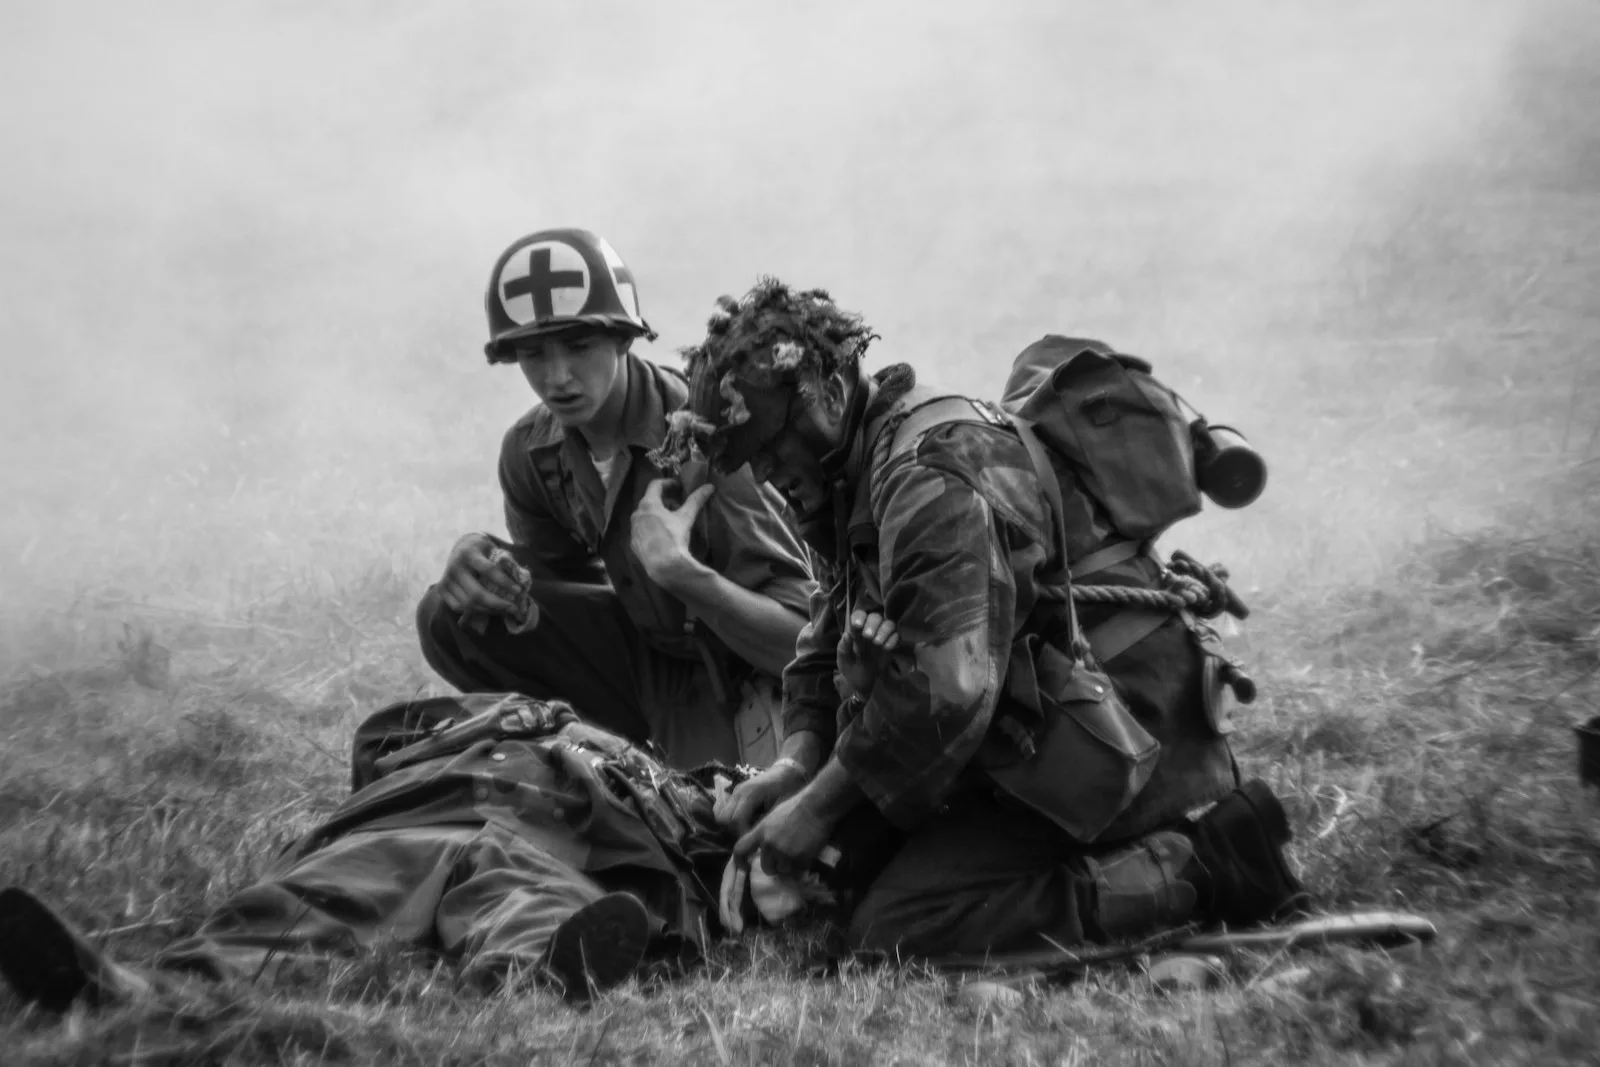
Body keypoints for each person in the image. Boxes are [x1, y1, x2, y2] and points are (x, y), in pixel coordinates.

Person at [672, 279, 1307, 962]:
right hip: (1047, 721)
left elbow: (948, 691)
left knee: (900, 926)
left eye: (771, 446)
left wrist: (818, 808)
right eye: (751, 461)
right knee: (849, 864)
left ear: (828, 390)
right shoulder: (852, 472)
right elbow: (824, 643)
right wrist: (794, 766)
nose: (767, 474)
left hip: (1136, 730)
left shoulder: (926, 473)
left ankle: (1209, 860)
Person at [0, 693, 749, 1012]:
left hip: (561, 848)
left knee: (526, 891)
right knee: (328, 888)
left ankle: (538, 975)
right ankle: (141, 987)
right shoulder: (499, 719)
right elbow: (381, 744)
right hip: (435, 814)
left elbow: (749, 872)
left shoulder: (682, 807)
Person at [416, 229, 816, 770]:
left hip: (752, 671)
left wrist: (681, 573)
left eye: (580, 347)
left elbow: (807, 646)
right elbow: (557, 580)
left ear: (625, 339)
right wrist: (483, 558)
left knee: (719, 813)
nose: (557, 378)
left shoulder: (710, 438)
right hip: (647, 658)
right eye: (533, 353)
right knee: (452, 613)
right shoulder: (531, 451)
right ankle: (581, 744)